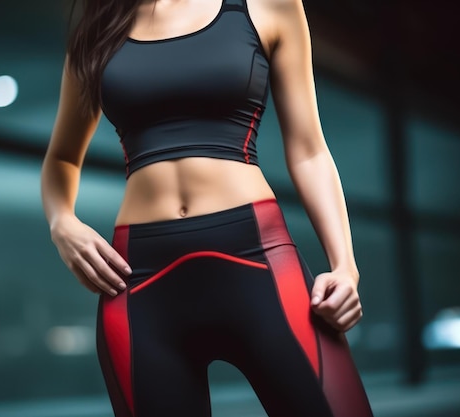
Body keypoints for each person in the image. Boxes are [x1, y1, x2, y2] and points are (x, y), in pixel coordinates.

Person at [41, 0, 374, 415]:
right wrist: (62, 222)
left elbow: (309, 151)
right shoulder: (98, 28)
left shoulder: (268, 6)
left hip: (257, 262)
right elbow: (62, 159)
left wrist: (345, 265)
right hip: (140, 285)